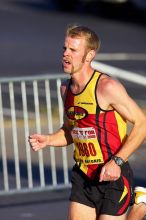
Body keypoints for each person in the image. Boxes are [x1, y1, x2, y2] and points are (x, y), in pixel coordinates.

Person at [28, 25, 146, 220]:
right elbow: (70, 131)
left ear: (89, 55)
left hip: (113, 175)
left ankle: (140, 206)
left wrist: (117, 161)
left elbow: (142, 124)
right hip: (83, 175)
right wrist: (48, 140)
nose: (66, 54)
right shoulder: (65, 89)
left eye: (73, 50)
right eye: (64, 48)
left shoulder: (106, 87)